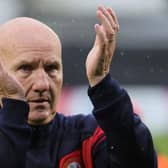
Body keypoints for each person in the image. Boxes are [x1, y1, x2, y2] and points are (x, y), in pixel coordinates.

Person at [0, 5, 157, 168]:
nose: (43, 84)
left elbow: (139, 162)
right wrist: (13, 108)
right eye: (25, 68)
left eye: (51, 68)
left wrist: (102, 83)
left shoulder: (87, 137)